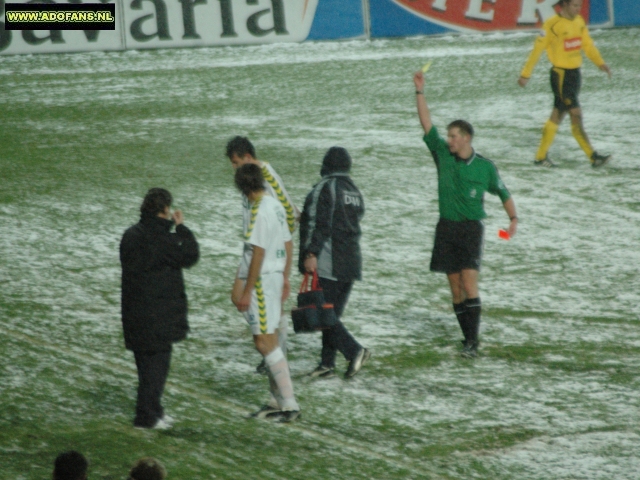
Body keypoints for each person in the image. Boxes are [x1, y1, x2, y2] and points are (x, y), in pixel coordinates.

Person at [413, 70, 518, 358]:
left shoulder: (485, 167)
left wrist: (513, 219)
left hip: (471, 229)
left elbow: (503, 192)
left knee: (469, 283)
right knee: (455, 290)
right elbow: (425, 123)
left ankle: (472, 342)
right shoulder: (442, 155)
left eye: (454, 135)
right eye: (448, 135)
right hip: (446, 228)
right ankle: (467, 338)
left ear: (467, 138)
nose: (449, 139)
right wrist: (420, 91)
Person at [120, 188, 199, 429]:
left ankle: (154, 410)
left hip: (134, 312)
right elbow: (191, 255)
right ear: (165, 210)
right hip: (158, 315)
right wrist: (181, 228)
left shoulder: (130, 235)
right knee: (156, 369)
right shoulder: (165, 239)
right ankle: (146, 417)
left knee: (145, 368)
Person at [225, 136, 300, 375]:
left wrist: (276, 242)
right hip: (252, 247)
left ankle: (275, 349)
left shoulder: (266, 176)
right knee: (237, 297)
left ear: (248, 157)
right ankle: (271, 346)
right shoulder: (249, 179)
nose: (234, 168)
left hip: (265, 253)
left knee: (249, 299)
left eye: (236, 162)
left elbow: (291, 212)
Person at [232, 163, 301, 422]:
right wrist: (285, 277)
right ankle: (282, 401)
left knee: (263, 342)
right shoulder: (275, 205)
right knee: (269, 340)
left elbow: (257, 253)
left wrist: (248, 291)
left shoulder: (258, 212)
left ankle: (290, 404)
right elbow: (288, 241)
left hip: (261, 283)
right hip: (274, 278)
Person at [299, 146, 370, 379]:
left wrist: (310, 254)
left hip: (330, 260)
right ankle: (327, 363)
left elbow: (318, 225)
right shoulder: (354, 190)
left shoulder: (325, 187)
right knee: (333, 316)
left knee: (323, 315)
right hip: (351, 261)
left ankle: (354, 350)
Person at [518, 0, 612, 168]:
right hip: (560, 75)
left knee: (558, 114)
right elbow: (537, 49)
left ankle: (540, 157)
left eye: (580, 6)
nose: (578, 9)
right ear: (565, 5)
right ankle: (593, 157)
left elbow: (587, 45)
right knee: (575, 114)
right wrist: (526, 74)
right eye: (574, 5)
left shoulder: (579, 21)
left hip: (575, 75)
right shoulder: (552, 24)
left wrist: (600, 63)